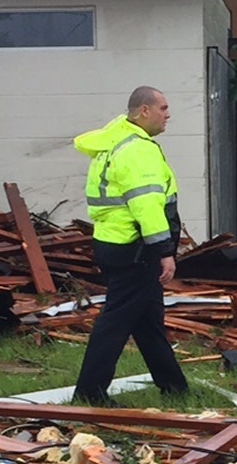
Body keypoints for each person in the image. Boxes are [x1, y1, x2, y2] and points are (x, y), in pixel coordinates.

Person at [71, 86, 191, 406]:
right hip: (135, 249)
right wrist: (165, 252)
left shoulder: (114, 141)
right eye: (163, 108)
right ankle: (90, 393)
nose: (168, 114)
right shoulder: (138, 150)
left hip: (114, 243)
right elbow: (147, 207)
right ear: (143, 112)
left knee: (148, 321)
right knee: (117, 321)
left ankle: (175, 388)